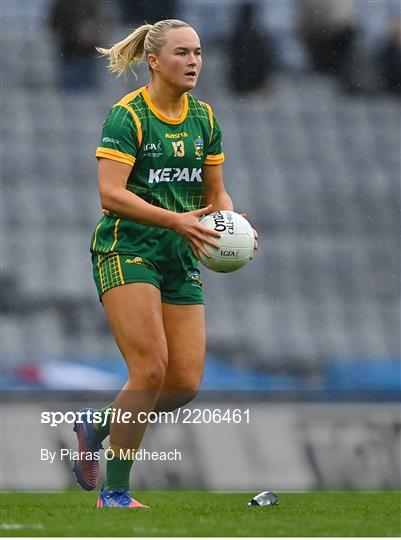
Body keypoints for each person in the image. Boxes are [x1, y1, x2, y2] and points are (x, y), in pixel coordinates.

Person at [72, 19, 258, 509]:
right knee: (150, 369)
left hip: (180, 254)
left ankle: (95, 428)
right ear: (153, 61)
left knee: (183, 383)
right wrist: (175, 220)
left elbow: (216, 194)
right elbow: (110, 194)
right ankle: (114, 492)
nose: (193, 61)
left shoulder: (205, 118)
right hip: (127, 247)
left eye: (197, 52)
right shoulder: (128, 117)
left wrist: (235, 225)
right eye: (182, 53)